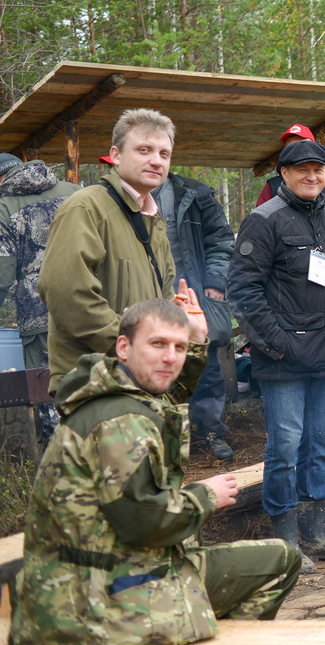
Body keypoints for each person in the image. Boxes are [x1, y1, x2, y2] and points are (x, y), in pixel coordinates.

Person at [12, 293, 301, 644]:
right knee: (278, 564)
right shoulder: (121, 421)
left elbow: (167, 390)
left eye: (179, 348)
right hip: (95, 602)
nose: (170, 357)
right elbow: (145, 523)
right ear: (123, 347)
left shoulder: (121, 391)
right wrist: (205, 495)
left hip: (104, 574)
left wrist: (196, 339)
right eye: (158, 344)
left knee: (277, 559)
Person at [227, 139, 325, 572]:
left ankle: (318, 533)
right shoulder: (264, 221)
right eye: (302, 169)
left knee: (321, 444)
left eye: (319, 169)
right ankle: (286, 540)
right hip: (283, 361)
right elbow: (242, 291)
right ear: (284, 174)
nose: (312, 176)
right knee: (285, 446)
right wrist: (278, 343)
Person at [40, 108, 177, 394]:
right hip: (94, 383)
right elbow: (66, 293)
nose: (156, 160)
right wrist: (134, 346)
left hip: (139, 378)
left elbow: (163, 298)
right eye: (144, 150)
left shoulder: (153, 220)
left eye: (164, 154)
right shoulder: (86, 207)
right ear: (115, 155)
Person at [152, 171, 236, 461]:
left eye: (162, 152)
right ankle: (168, 441)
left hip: (194, 294)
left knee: (207, 366)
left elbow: (222, 241)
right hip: (148, 298)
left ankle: (213, 431)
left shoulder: (195, 193)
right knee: (155, 366)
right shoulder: (117, 197)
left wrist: (214, 283)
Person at [0, 154, 79, 439]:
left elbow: (2, 275)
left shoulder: (5, 207)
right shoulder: (75, 191)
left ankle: (63, 469)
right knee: (96, 383)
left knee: (49, 394)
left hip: (41, 317)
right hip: (92, 306)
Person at [256, 123, 325, 258]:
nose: (300, 151)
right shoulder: (272, 188)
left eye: (303, 144)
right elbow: (258, 240)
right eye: (291, 147)